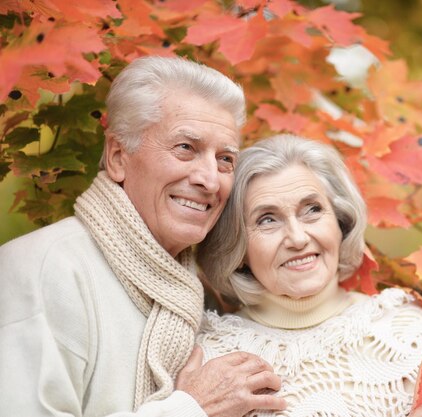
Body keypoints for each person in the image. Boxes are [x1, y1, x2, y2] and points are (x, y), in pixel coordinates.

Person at [0, 56, 286, 416]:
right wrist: (191, 409)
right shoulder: (42, 268)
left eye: (225, 159)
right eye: (186, 148)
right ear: (118, 157)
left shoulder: (199, 292)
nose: (210, 180)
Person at [197, 134, 422, 417]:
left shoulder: (408, 332)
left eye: (312, 210)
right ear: (239, 247)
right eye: (267, 219)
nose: (297, 238)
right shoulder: (211, 359)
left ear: (340, 221)